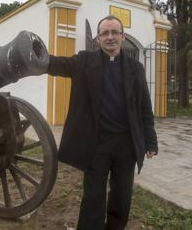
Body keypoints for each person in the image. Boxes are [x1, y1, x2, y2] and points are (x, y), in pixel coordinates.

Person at [46, 15, 158, 230]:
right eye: (104, 33)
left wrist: (150, 142)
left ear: (122, 36)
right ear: (97, 39)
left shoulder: (136, 68)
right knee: (93, 196)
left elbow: (144, 107)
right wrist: (37, 57)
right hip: (97, 143)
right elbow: (59, 64)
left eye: (114, 32)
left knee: (122, 195)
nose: (110, 37)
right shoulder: (84, 61)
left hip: (126, 144)